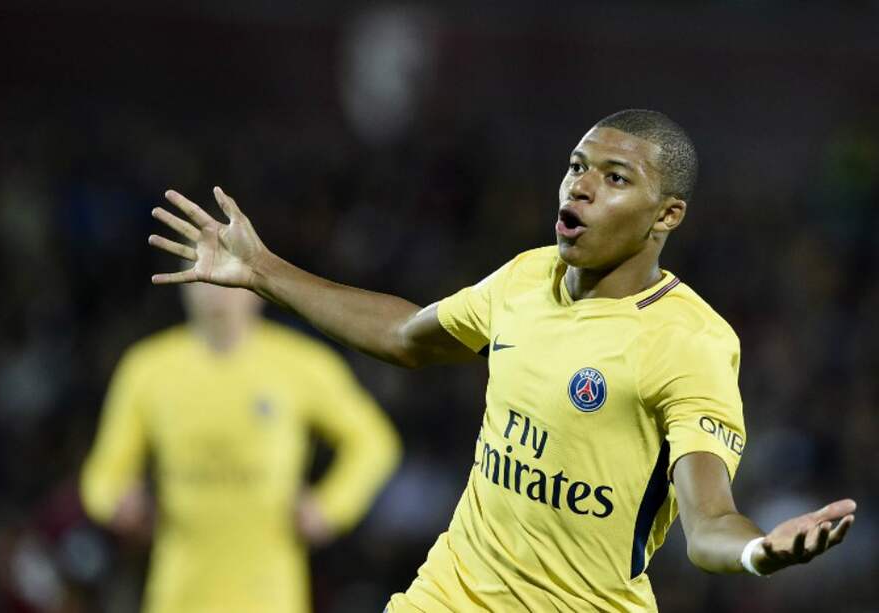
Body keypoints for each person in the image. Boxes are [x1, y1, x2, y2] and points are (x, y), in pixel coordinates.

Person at [147, 109, 856, 612]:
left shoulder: (691, 342)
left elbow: (708, 521)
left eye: (614, 178)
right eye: (577, 167)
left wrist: (760, 550)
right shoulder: (525, 278)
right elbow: (405, 335)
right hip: (449, 595)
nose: (579, 186)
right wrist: (263, 268)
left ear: (665, 216)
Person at [80, 281, 402, 613]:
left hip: (269, 593)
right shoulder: (148, 369)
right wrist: (116, 503)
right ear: (183, 286)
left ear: (254, 286)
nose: (216, 292)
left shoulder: (300, 364)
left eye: (226, 278)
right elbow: (102, 474)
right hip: (180, 592)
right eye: (200, 279)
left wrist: (330, 508)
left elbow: (374, 441)